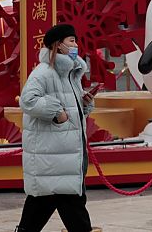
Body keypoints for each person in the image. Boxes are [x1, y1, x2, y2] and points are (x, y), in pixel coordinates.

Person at [16, 23, 95, 232]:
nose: (76, 45)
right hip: (53, 158)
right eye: (71, 41)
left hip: (64, 158)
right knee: (72, 209)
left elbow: (70, 107)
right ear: (58, 45)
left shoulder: (70, 73)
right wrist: (56, 112)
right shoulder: (44, 72)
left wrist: (83, 103)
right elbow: (27, 100)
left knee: (41, 206)